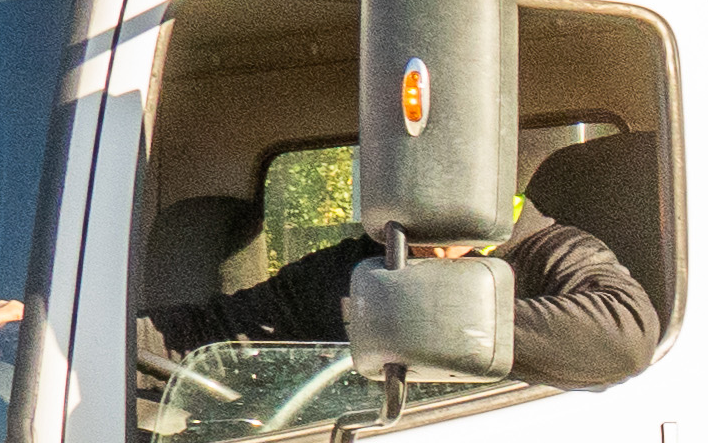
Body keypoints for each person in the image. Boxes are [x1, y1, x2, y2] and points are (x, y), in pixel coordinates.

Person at [146, 134, 667, 392]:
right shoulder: (356, 266)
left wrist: (415, 317)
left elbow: (624, 336)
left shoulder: (557, 251)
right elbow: (207, 336)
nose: (422, 233)